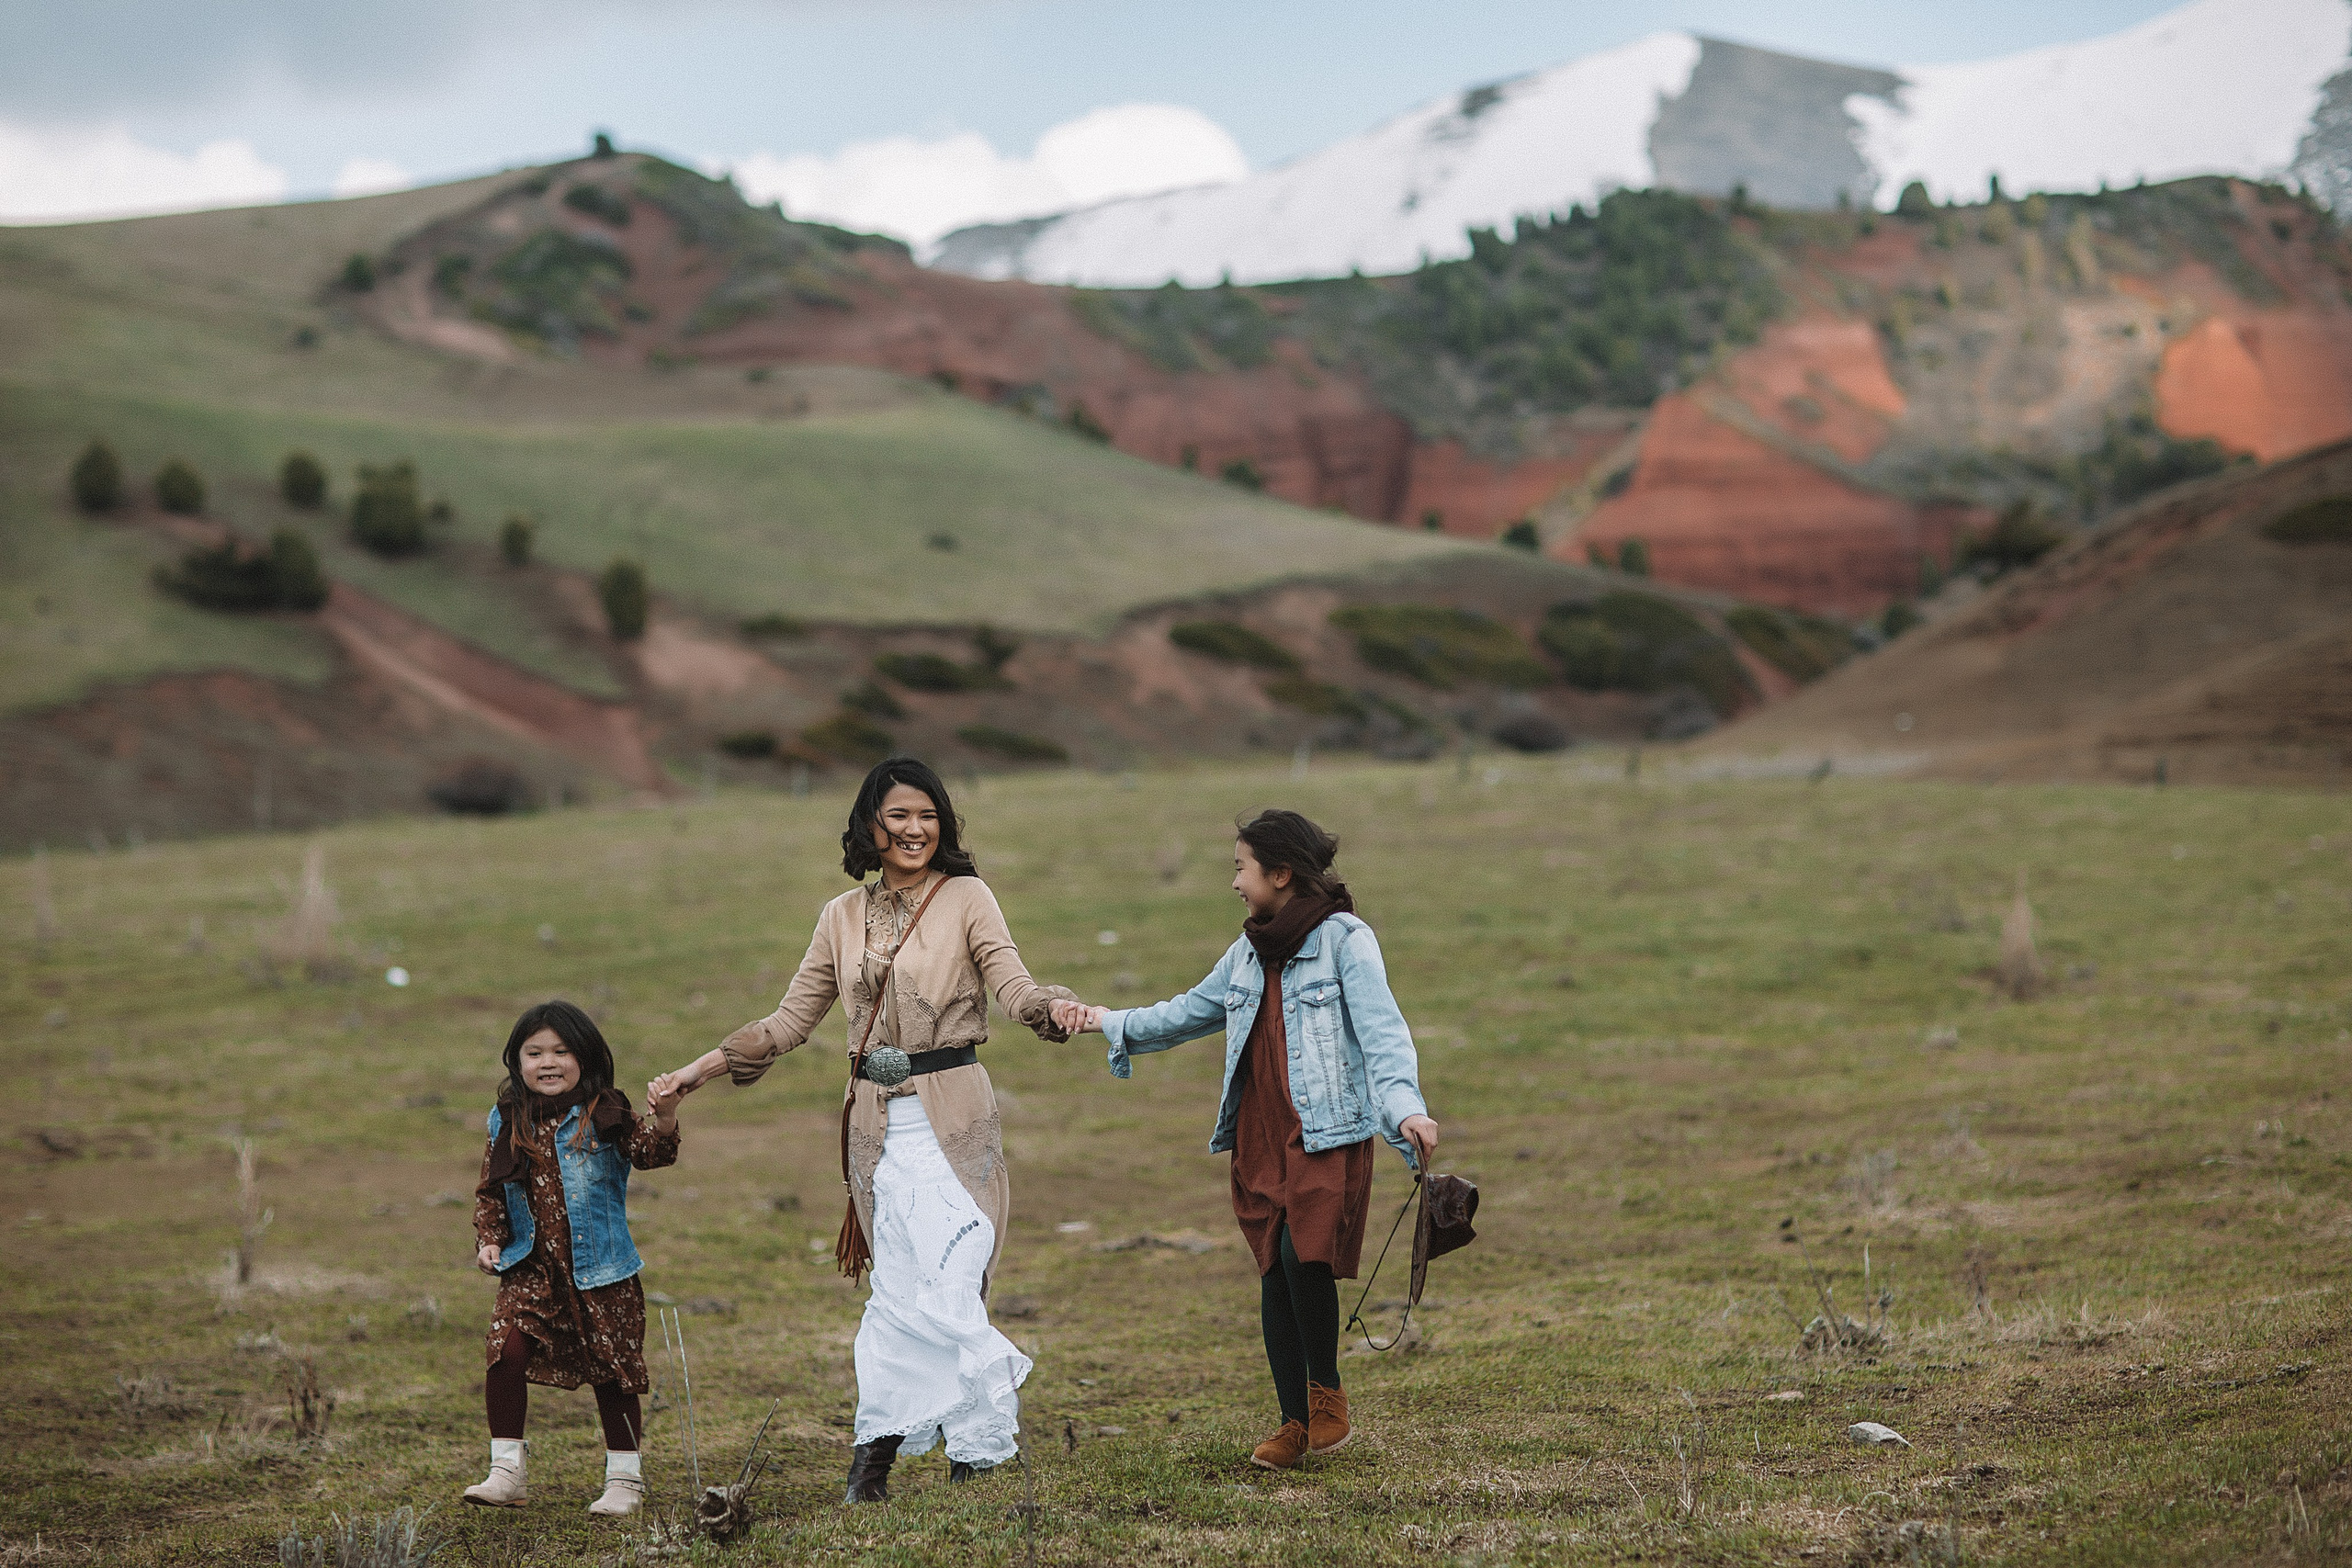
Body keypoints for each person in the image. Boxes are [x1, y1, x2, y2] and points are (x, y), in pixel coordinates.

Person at [653, 757, 1074, 1504]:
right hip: (874, 1132)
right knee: (896, 1293)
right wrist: (699, 1071)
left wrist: (1053, 1007)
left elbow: (1012, 984)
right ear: (870, 827)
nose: (915, 829)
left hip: (956, 1119)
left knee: (953, 1279)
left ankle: (977, 1446)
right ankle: (872, 1461)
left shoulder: (968, 896)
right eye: (899, 816)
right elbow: (788, 1022)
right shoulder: (840, 916)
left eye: (927, 815)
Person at [1052, 808, 1437, 1472]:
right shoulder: (1248, 951)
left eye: (1241, 866)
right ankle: (1293, 1421)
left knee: (1301, 1253)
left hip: (1325, 1131)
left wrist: (1406, 1111)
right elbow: (1184, 1013)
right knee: (1272, 1268)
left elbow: (1383, 1033)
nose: (1234, 881)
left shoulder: (1347, 940)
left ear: (1281, 872)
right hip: (1260, 1133)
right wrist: (1102, 1020)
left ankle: (1327, 1396)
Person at [466, 1000, 683, 1515]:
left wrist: (667, 1115)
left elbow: (653, 1153)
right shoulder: (507, 1117)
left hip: (603, 1271)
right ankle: (506, 1472)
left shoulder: (604, 1112)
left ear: (585, 1058)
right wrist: (489, 1238)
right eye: (534, 1052)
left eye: (561, 1051)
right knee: (506, 1350)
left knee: (614, 1371)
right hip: (530, 1268)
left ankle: (625, 1481)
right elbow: (491, 1188)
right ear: (516, 1062)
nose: (548, 1062)